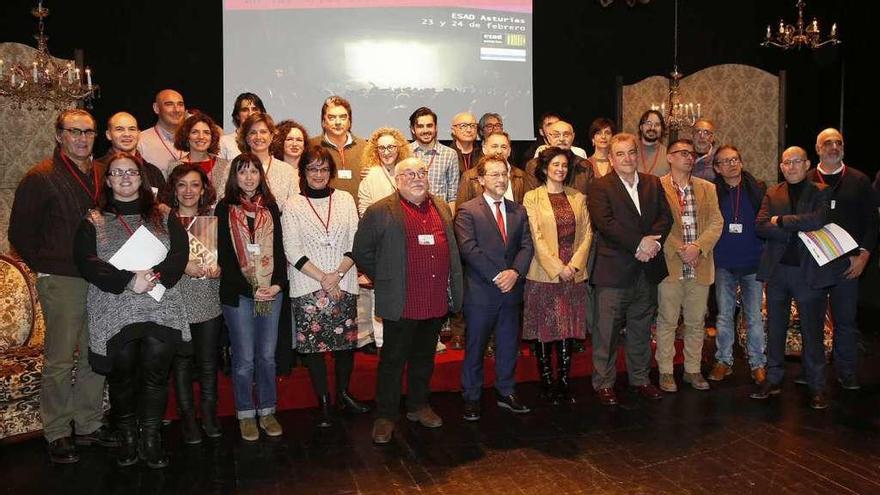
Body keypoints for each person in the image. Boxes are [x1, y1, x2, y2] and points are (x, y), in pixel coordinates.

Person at [9, 109, 115, 464]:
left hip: (99, 278)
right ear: (59, 135)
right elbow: (19, 234)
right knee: (58, 358)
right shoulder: (40, 177)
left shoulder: (103, 173)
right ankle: (56, 431)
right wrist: (47, 267)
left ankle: (88, 424)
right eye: (74, 132)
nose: (83, 139)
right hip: (63, 280)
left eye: (89, 132)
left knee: (91, 354)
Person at [73, 152, 189, 468]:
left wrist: (153, 278)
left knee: (155, 371)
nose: (125, 177)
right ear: (108, 181)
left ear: (142, 178)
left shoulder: (164, 215)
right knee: (122, 373)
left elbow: (179, 254)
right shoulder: (93, 221)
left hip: (159, 304)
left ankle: (150, 438)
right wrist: (128, 281)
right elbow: (87, 262)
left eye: (131, 172)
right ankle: (128, 437)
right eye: (117, 173)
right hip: (115, 306)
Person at [353, 157, 463, 445]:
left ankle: (418, 405)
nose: (417, 178)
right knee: (392, 360)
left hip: (434, 300)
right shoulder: (381, 211)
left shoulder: (440, 206)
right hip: (401, 302)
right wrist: (386, 278)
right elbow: (361, 250)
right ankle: (386, 415)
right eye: (409, 174)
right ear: (397, 180)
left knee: (424, 359)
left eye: (421, 173)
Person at [751, 147, 848, 410]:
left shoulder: (821, 191)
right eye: (786, 162)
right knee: (776, 329)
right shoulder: (772, 192)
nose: (791, 166)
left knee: (812, 332)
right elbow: (760, 226)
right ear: (781, 166)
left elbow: (817, 220)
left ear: (807, 164)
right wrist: (791, 229)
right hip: (778, 272)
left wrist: (780, 221)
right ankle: (772, 379)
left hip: (809, 273)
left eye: (796, 162)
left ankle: (817, 386)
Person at [282, 147, 370, 427]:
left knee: (345, 345)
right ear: (303, 172)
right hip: (308, 284)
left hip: (343, 281)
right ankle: (323, 402)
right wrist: (324, 277)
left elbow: (355, 241)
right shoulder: (293, 204)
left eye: (323, 169)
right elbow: (292, 249)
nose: (318, 175)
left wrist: (338, 274)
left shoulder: (344, 199)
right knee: (314, 349)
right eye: (312, 169)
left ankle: (343, 394)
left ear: (330, 172)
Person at [587, 133, 672, 406]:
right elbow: (605, 224)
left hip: (647, 269)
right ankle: (604, 383)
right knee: (606, 332)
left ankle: (640, 379)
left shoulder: (653, 183)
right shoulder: (600, 187)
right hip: (614, 272)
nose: (627, 158)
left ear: (638, 155)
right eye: (620, 154)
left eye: (631, 152)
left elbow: (665, 218)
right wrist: (639, 244)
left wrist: (652, 245)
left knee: (640, 329)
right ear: (611, 159)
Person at [456, 155, 534, 420]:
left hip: (511, 292)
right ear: (480, 180)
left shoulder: (518, 210)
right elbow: (469, 249)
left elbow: (526, 246)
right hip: (481, 293)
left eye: (504, 174)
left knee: (508, 345)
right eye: (494, 174)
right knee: (475, 347)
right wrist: (499, 275)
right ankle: (472, 397)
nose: (501, 179)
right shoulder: (468, 210)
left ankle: (506, 391)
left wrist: (514, 273)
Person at [216, 152, 288, 440]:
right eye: (242, 172)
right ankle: (246, 413)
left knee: (267, 357)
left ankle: (268, 410)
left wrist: (278, 285)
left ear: (261, 175)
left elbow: (280, 251)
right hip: (239, 295)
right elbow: (224, 257)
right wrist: (251, 289)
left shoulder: (270, 207)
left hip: (270, 292)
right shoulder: (224, 209)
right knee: (244, 358)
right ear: (234, 177)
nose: (249, 177)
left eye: (254, 172)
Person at [808, 128, 877, 390]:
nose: (834, 147)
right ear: (817, 149)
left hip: (848, 265)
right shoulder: (806, 179)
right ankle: (811, 370)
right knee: (811, 321)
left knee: (846, 321)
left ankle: (846, 370)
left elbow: (872, 224)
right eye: (827, 143)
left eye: (839, 142)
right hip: (814, 266)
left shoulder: (860, 181)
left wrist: (864, 258)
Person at [522, 147, 592, 404]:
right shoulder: (532, 198)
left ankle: (564, 382)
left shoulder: (578, 197)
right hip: (543, 274)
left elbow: (587, 235)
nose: (561, 169)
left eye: (564, 165)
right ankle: (547, 383)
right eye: (555, 165)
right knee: (544, 329)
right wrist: (557, 267)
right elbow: (535, 237)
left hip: (572, 274)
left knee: (566, 329)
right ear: (544, 168)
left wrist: (572, 266)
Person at [160, 164, 224, 444]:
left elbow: (229, 260)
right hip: (176, 301)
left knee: (209, 363)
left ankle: (209, 416)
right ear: (174, 189)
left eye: (195, 185)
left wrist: (220, 269)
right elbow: (154, 262)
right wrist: (182, 265)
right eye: (182, 185)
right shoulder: (163, 222)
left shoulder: (212, 220)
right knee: (182, 363)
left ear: (203, 189)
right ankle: (188, 421)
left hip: (208, 298)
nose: (189, 191)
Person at [655, 139, 723, 393]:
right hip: (672, 264)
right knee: (667, 321)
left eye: (691, 154)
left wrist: (698, 247)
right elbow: (656, 224)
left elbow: (716, 222)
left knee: (696, 322)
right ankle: (665, 372)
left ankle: (692, 370)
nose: (688, 157)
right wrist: (681, 250)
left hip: (701, 264)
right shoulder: (657, 187)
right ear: (669, 158)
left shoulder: (707, 187)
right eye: (682, 153)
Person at [708, 145, 768, 384]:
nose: (731, 164)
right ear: (717, 168)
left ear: (741, 163)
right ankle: (724, 361)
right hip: (724, 263)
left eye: (735, 159)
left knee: (754, 317)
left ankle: (758, 364)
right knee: (724, 317)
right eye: (725, 161)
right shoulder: (712, 193)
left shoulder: (758, 190)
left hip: (753, 263)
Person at [356, 127, 413, 352]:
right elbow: (364, 211)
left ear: (399, 148)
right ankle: (381, 342)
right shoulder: (370, 176)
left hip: (410, 242)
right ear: (375, 151)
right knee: (382, 292)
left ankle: (407, 338)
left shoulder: (408, 171)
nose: (387, 151)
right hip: (383, 243)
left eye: (391, 146)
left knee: (409, 292)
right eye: (382, 148)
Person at [308, 96, 367, 206]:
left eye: (343, 117)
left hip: (358, 213)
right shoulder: (311, 145)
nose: (338, 122)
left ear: (349, 122)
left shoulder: (365, 146)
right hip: (323, 212)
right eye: (332, 117)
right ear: (323, 122)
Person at [458, 131, 537, 206]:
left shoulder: (521, 176)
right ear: (484, 149)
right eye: (494, 146)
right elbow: (461, 213)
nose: (499, 151)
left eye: (504, 147)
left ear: (509, 151)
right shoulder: (469, 177)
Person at [237, 113, 297, 209]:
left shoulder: (287, 171)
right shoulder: (235, 166)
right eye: (253, 132)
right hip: (241, 223)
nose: (258, 136)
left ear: (272, 136)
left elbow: (296, 208)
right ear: (247, 138)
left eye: (263, 132)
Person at [96, 111, 165, 191]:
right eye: (119, 129)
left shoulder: (153, 172)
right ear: (108, 135)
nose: (127, 134)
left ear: (139, 134)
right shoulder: (98, 169)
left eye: (132, 129)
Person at [167, 112, 231, 198]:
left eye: (206, 133)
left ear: (212, 137)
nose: (201, 137)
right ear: (186, 136)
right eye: (195, 132)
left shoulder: (225, 166)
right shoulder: (175, 166)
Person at [408, 106, 459, 210]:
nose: (425, 130)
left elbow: (452, 196)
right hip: (409, 215)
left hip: (440, 216)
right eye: (420, 126)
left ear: (436, 128)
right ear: (413, 129)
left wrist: (449, 221)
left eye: (429, 126)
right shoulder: (404, 152)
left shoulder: (449, 154)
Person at [525, 120, 593, 195]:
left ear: (573, 137)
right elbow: (532, 197)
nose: (561, 139)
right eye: (556, 135)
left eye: (566, 135)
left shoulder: (584, 165)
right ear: (548, 138)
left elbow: (591, 199)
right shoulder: (535, 165)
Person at [137, 89, 186, 175]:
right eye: (169, 104)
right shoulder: (140, 141)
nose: (177, 110)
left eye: (180, 104)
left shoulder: (194, 139)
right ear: (156, 108)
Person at [219, 92, 266, 161]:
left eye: (254, 109)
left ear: (262, 113)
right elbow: (218, 170)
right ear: (237, 115)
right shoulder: (225, 142)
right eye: (245, 110)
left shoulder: (267, 140)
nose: (250, 114)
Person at [270, 119, 309, 196]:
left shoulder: (310, 171)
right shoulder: (272, 169)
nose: (295, 144)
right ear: (280, 142)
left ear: (304, 145)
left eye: (299, 140)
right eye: (289, 139)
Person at [636, 110, 670, 177]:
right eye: (648, 123)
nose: (652, 128)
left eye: (657, 124)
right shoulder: (631, 151)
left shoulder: (668, 154)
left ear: (662, 129)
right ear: (641, 127)